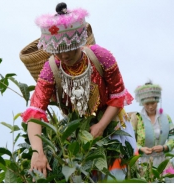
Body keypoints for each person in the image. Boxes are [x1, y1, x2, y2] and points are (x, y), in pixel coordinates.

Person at [21, 2, 136, 181]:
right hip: (77, 130)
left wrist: (100, 126)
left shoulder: (101, 56)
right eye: (58, 51)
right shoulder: (51, 69)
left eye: (69, 50)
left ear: (79, 42)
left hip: (112, 124)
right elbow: (35, 111)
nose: (64, 56)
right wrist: (38, 152)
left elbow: (117, 95)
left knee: (117, 175)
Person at [130, 81, 174, 177]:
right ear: (142, 102)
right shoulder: (136, 118)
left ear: (157, 100)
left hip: (163, 161)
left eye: (153, 103)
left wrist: (164, 147)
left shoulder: (166, 118)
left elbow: (172, 136)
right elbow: (130, 139)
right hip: (143, 162)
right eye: (147, 104)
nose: (150, 107)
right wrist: (141, 148)